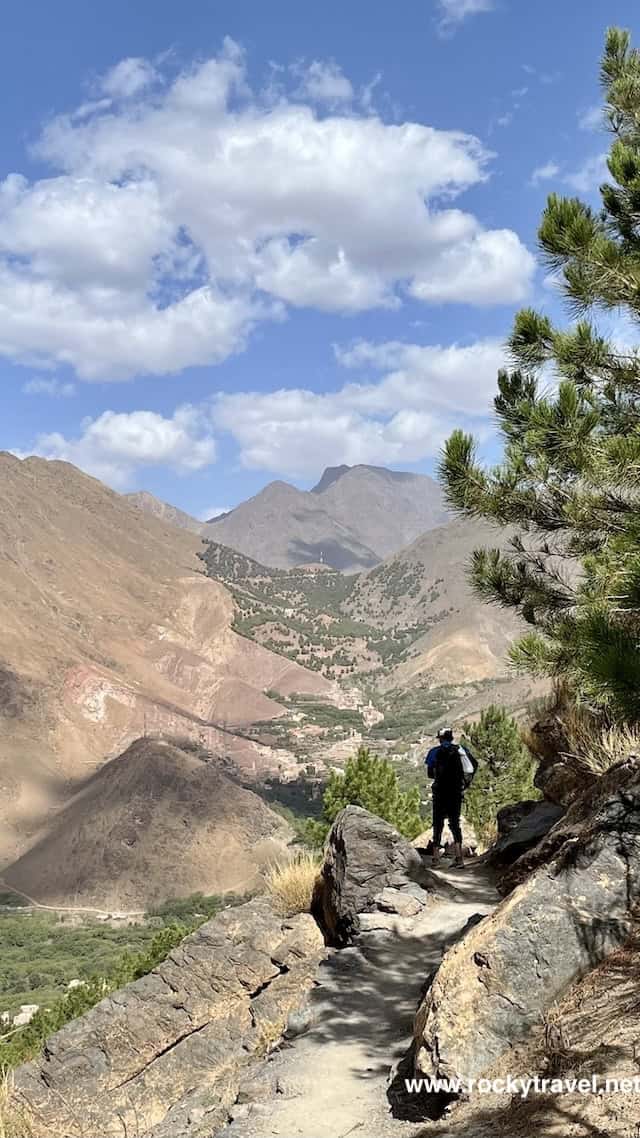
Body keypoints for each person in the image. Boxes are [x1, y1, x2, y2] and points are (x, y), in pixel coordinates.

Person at [424, 728, 477, 869]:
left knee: (438, 822)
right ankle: (459, 859)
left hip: (440, 791)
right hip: (455, 791)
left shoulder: (434, 752)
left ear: (440, 739)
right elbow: (472, 767)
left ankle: (435, 859)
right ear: (451, 738)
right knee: (455, 823)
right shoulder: (461, 750)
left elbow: (430, 773)